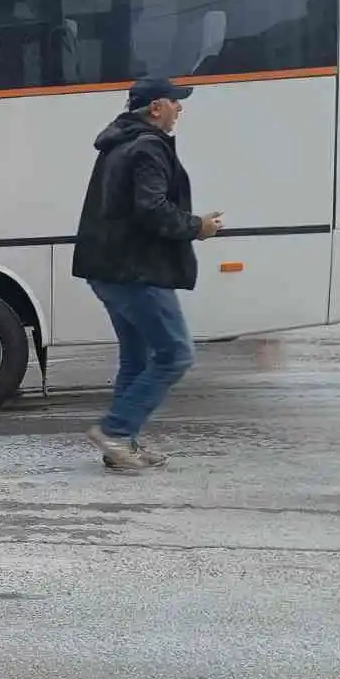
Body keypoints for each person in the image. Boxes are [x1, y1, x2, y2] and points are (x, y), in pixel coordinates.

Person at [71, 77, 224, 471]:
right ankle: (116, 431)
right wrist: (197, 226)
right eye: (175, 103)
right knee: (176, 354)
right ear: (156, 107)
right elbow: (151, 208)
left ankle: (121, 448)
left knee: (136, 359)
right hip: (136, 269)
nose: (179, 110)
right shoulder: (148, 146)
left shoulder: (118, 143)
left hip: (108, 268)